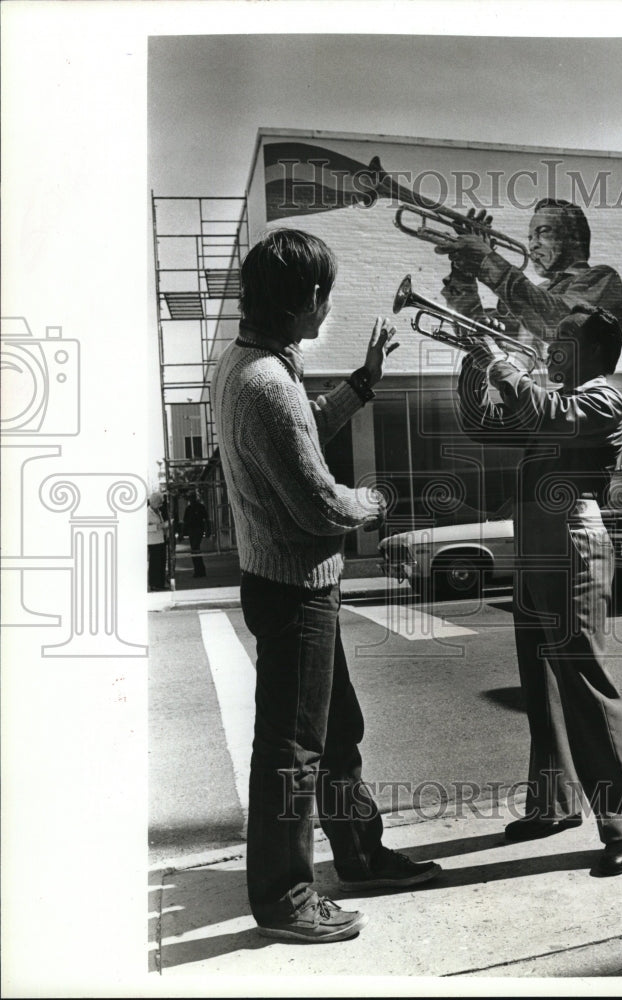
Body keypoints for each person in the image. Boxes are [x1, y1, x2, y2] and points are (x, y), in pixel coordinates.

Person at [210, 229, 441, 944]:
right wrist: (372, 502)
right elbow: (318, 505)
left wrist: (363, 384)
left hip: (287, 582)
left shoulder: (249, 366)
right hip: (296, 592)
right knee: (293, 749)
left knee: (335, 733)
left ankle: (361, 855)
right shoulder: (265, 382)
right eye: (326, 296)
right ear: (306, 299)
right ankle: (284, 898)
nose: (328, 310)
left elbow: (299, 432)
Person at [456, 303, 622, 877]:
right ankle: (554, 804)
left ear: (591, 352)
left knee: (585, 682)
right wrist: (473, 364)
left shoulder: (600, 397)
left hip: (573, 540)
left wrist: (502, 364)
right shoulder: (543, 398)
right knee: (540, 686)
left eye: (564, 341)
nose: (552, 348)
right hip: (535, 541)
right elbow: (481, 425)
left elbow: (548, 411)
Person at [435, 197, 622, 345]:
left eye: (542, 232)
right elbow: (474, 334)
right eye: (530, 237)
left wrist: (487, 260)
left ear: (575, 238)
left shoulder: (603, 277)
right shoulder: (534, 293)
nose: (532, 245)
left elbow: (561, 321)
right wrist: (464, 273)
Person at [181, 491, 209, 578]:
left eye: (192, 498)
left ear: (194, 498)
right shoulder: (188, 508)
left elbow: (206, 519)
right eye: (190, 498)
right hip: (191, 531)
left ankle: (199, 571)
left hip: (198, 530)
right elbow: (185, 522)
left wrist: (207, 530)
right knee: (195, 550)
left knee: (195, 549)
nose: (191, 500)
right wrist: (182, 533)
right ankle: (199, 570)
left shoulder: (200, 507)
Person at [147, 491, 168, 591]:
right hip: (153, 541)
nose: (161, 505)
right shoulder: (147, 513)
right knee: (154, 564)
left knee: (161, 562)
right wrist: (159, 526)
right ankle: (154, 584)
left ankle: (160, 583)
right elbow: (145, 528)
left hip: (161, 539)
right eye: (159, 502)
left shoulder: (158, 511)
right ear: (154, 502)